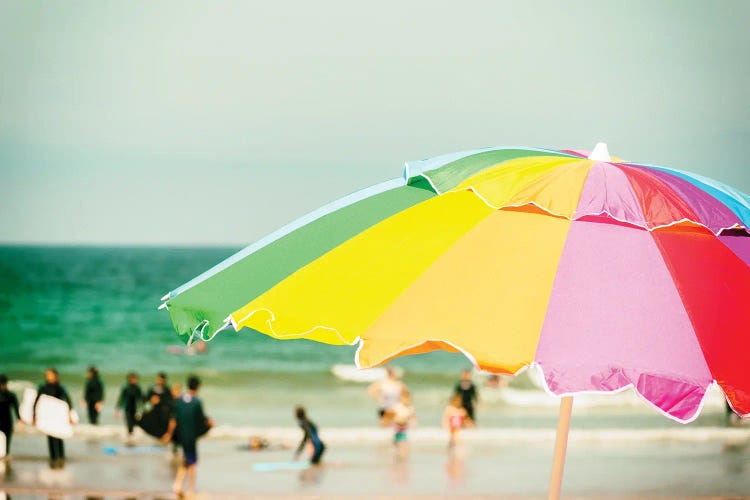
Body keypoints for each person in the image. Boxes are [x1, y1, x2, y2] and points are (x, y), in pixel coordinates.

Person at [163, 376, 213, 497]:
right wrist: (209, 424)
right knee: (192, 463)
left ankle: (177, 484)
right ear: (198, 387)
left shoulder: (179, 400)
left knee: (186, 460)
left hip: (181, 436)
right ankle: (191, 489)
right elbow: (201, 420)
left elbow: (173, 420)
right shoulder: (197, 402)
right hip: (191, 437)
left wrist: (169, 434)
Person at [33, 368, 73, 468]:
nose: (48, 376)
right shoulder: (43, 387)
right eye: (47, 374)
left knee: (59, 437)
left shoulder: (60, 387)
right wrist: (34, 416)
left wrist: (70, 415)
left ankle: (61, 458)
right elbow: (37, 401)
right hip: (48, 417)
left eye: (50, 374)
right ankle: (53, 459)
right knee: (50, 437)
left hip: (58, 417)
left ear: (55, 375)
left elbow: (68, 400)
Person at [115, 372, 144, 442]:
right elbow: (121, 398)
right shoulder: (125, 388)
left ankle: (132, 436)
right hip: (127, 408)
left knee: (134, 422)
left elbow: (141, 399)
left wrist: (142, 408)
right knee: (128, 422)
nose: (135, 380)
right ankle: (130, 436)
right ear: (129, 379)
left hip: (135, 408)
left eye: (136, 379)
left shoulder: (137, 388)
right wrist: (117, 408)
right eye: (133, 379)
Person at [390, 391, 416, 459]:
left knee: (404, 439)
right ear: (401, 399)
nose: (406, 400)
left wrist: (414, 423)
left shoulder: (410, 408)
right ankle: (396, 449)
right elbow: (391, 414)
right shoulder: (398, 406)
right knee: (396, 438)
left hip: (405, 425)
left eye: (408, 399)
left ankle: (402, 452)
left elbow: (413, 416)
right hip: (397, 424)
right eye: (404, 399)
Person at [0, 374, 22, 456]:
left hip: (7, 422)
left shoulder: (11, 395)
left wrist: (19, 419)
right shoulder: (11, 395)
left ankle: (5, 457)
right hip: (4, 421)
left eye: (3, 384)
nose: (2, 386)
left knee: (7, 443)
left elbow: (16, 408)